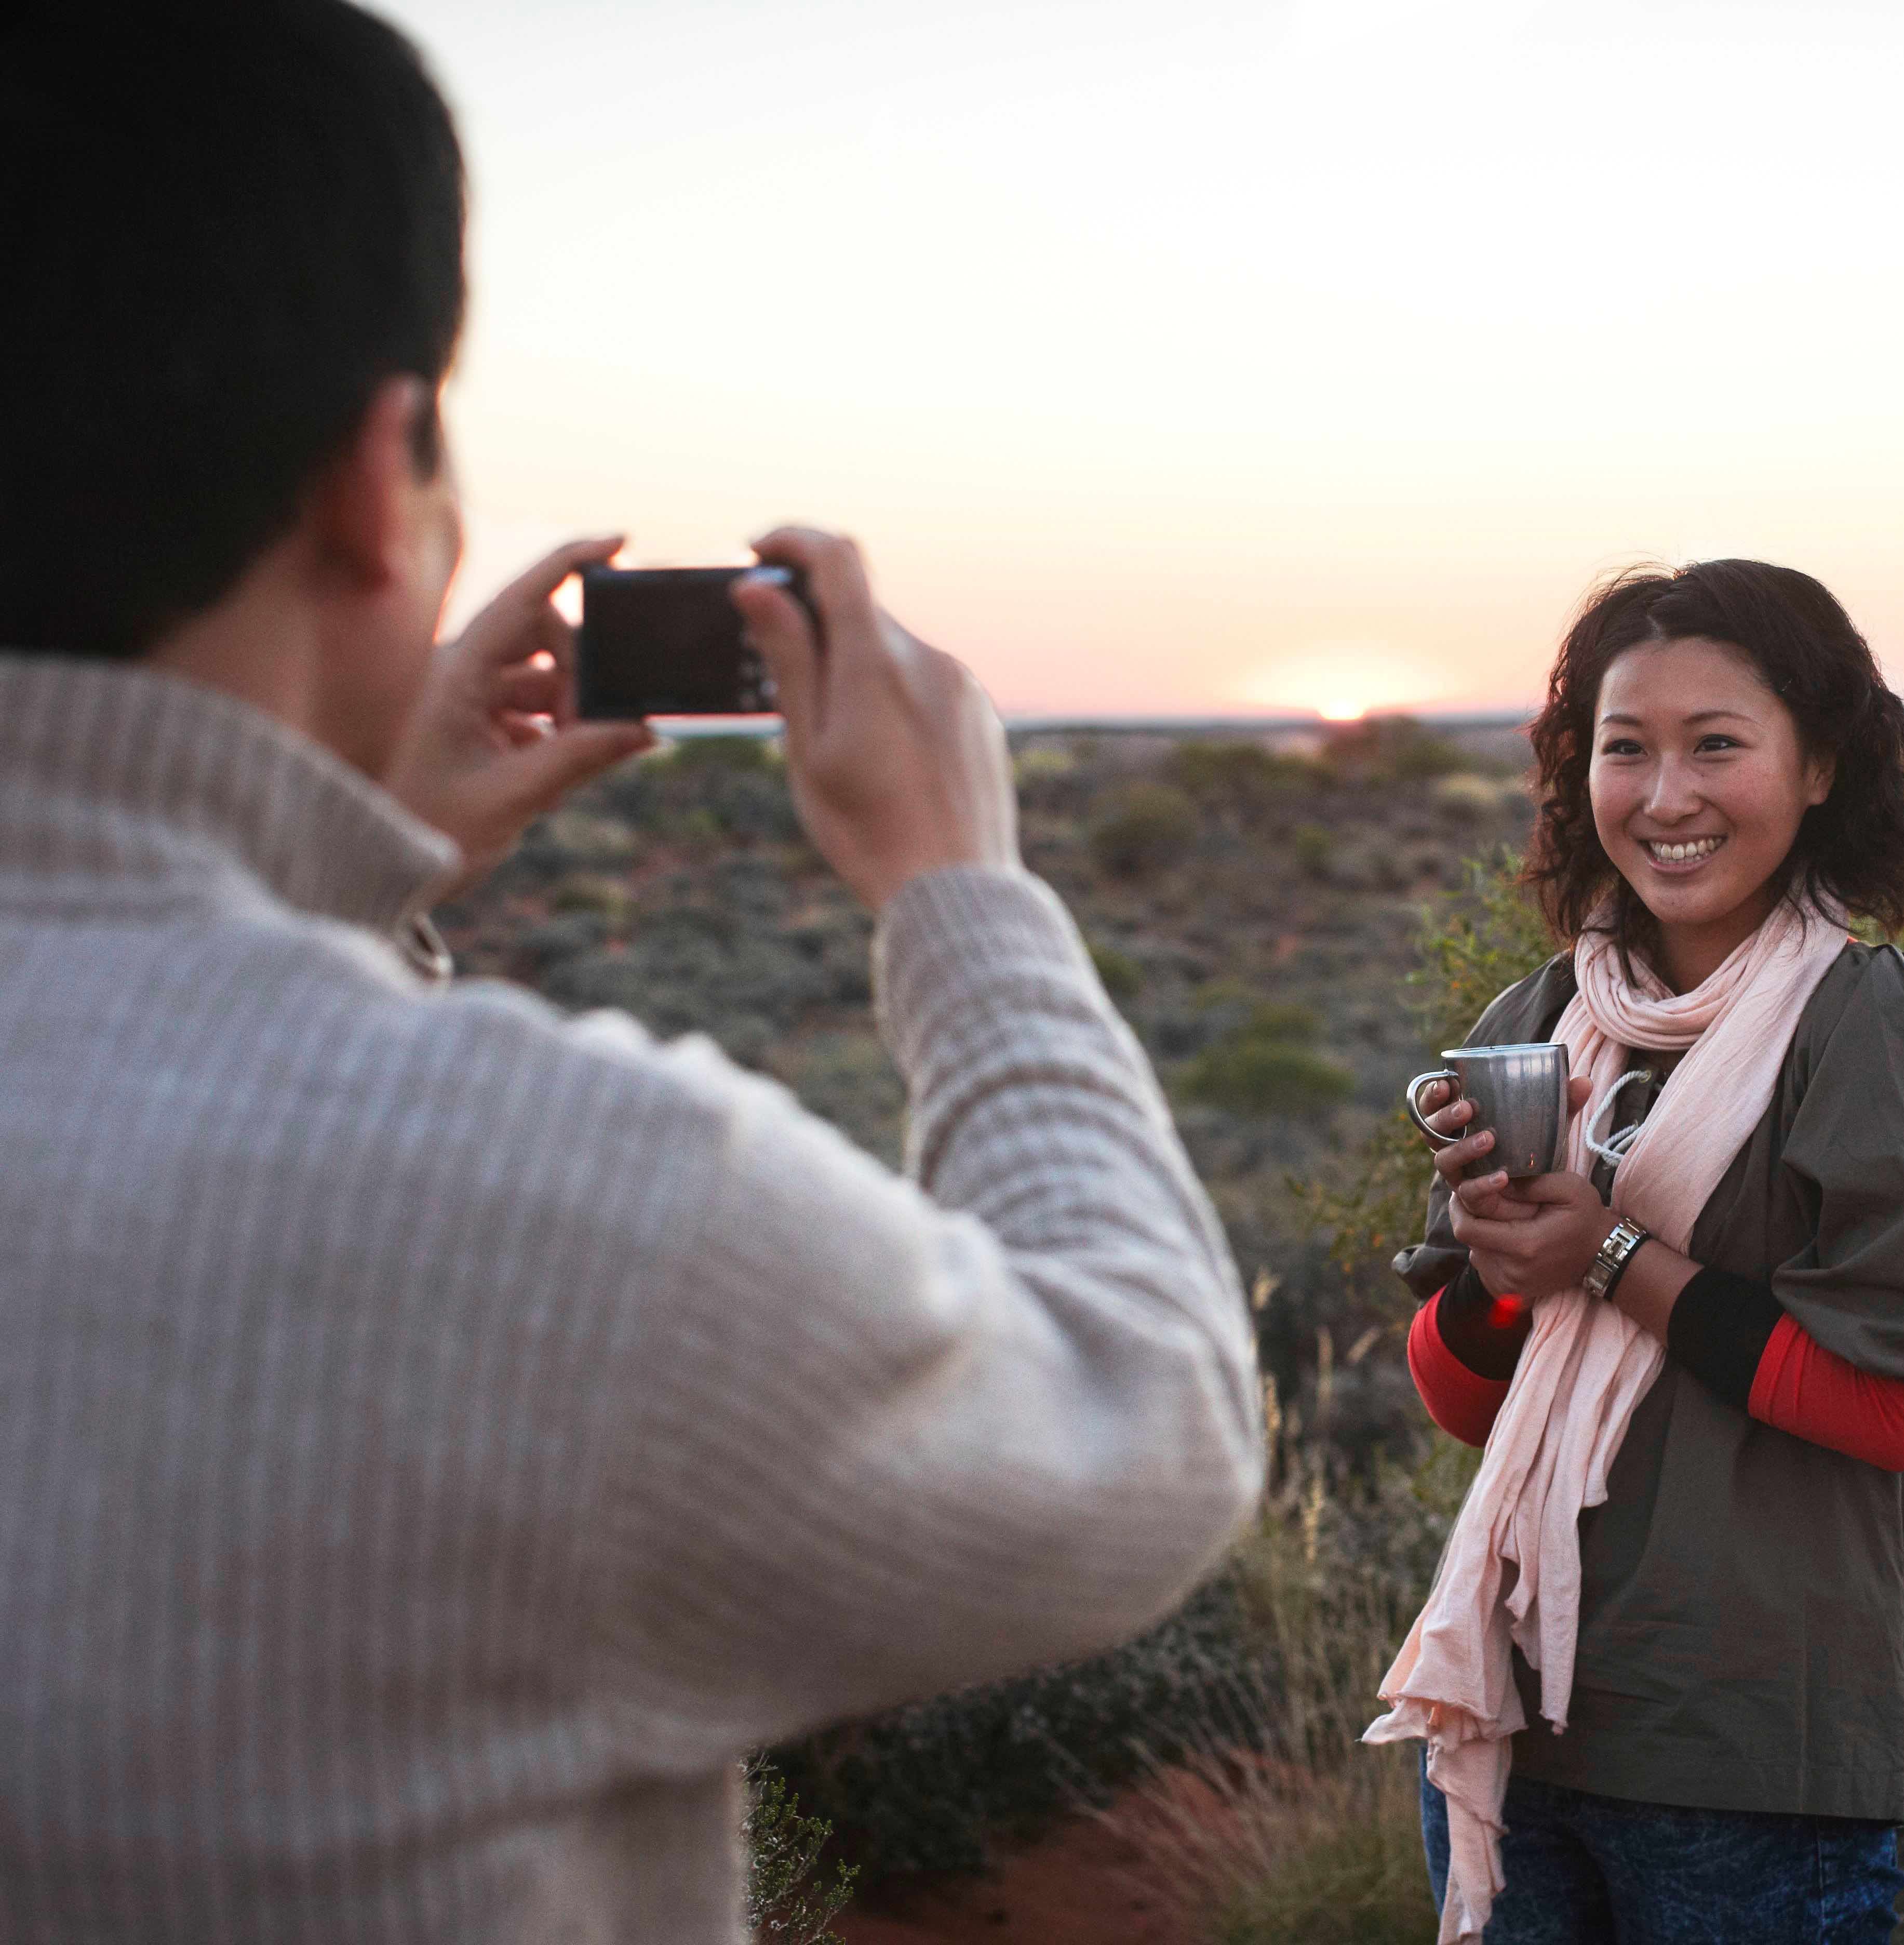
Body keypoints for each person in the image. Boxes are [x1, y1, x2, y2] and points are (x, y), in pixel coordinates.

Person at [0, 6, 1261, 1939]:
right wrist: (962, 889)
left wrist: (330, 880)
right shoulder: (558, 1206)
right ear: (376, 471)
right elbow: (1149, 1422)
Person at [1366, 561, 1904, 1944]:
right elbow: (1457, 1397)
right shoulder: (1552, 1015)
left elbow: (1893, 1410)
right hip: (1513, 1720)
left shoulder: (1883, 1031)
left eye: (1718, 745)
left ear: (1821, 767)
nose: (1665, 795)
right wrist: (1508, 1280)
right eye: (1625, 748)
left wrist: (1610, 1251)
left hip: (1751, 1757)